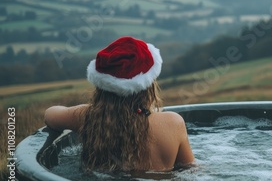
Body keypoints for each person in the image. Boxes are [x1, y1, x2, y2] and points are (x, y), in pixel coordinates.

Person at [44, 36, 195, 172]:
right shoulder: (172, 123)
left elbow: (50, 114)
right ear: (148, 85)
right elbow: (190, 169)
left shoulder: (87, 117)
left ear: (102, 86)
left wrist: (87, 110)